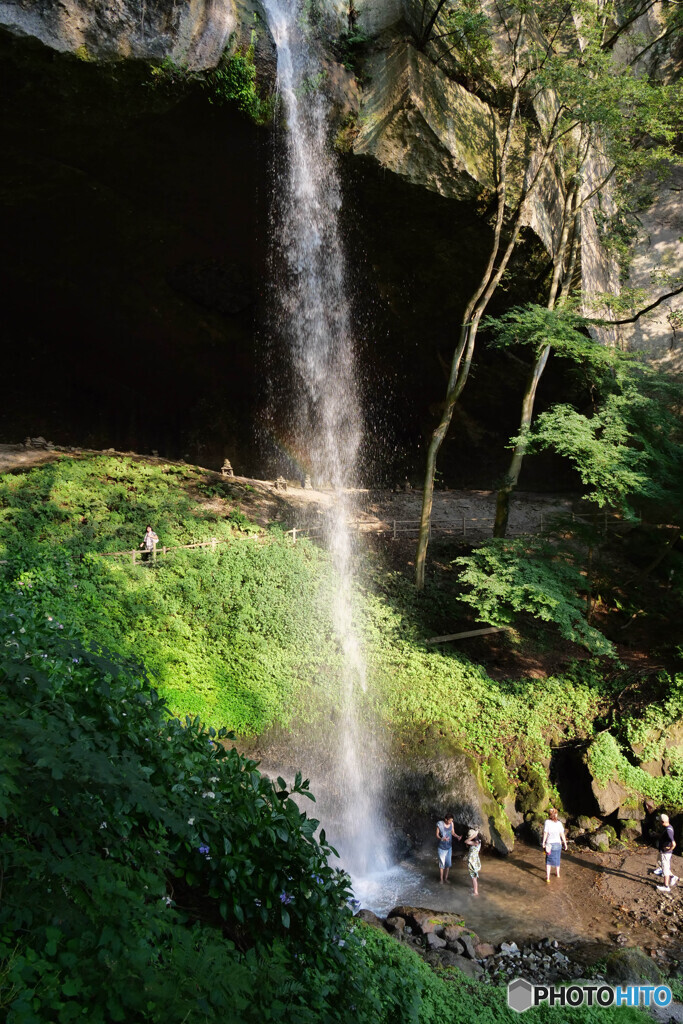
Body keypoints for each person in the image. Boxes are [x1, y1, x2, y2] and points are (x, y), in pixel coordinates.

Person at [542, 808, 567, 882]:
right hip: (558, 845)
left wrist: (543, 842)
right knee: (557, 859)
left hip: (550, 845)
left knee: (548, 862)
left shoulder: (547, 822)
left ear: (550, 815)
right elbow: (562, 834)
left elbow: (545, 833)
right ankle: (558, 874)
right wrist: (565, 843)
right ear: (556, 815)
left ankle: (548, 878)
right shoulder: (559, 823)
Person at [655, 813, 678, 892]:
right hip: (662, 852)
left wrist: (669, 849)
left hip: (665, 853)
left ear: (662, 822)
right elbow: (664, 836)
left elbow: (674, 843)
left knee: (665, 868)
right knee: (659, 861)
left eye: (659, 821)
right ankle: (672, 876)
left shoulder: (669, 831)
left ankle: (666, 886)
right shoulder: (668, 827)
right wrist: (656, 834)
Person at [436, 813, 462, 883]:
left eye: (452, 820)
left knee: (448, 864)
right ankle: (441, 879)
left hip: (449, 847)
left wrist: (457, 836)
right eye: (449, 820)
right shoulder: (440, 824)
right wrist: (442, 839)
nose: (451, 822)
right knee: (442, 864)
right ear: (445, 819)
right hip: (441, 848)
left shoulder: (451, 824)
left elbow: (453, 833)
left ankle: (445, 879)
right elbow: (437, 835)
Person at [465, 828, 482, 896]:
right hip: (474, 861)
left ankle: (476, 892)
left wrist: (473, 836)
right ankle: (475, 889)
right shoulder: (478, 841)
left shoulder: (476, 843)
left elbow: (466, 841)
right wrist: (475, 834)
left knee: (474, 878)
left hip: (472, 863)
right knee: (474, 877)